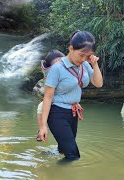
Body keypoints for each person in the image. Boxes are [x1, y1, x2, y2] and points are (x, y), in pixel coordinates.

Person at [37, 31, 103, 161]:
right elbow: (48, 97)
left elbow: (98, 83)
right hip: (57, 113)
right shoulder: (57, 68)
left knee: (63, 149)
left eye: (87, 56)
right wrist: (43, 126)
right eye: (81, 55)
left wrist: (94, 64)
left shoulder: (84, 65)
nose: (83, 59)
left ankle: (45, 159)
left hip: (73, 113)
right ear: (71, 48)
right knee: (73, 156)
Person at [36, 50, 65, 141]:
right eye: (58, 62)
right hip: (53, 96)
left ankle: (42, 128)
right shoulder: (50, 71)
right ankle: (41, 128)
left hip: (62, 97)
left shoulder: (67, 69)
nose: (60, 64)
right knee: (41, 107)